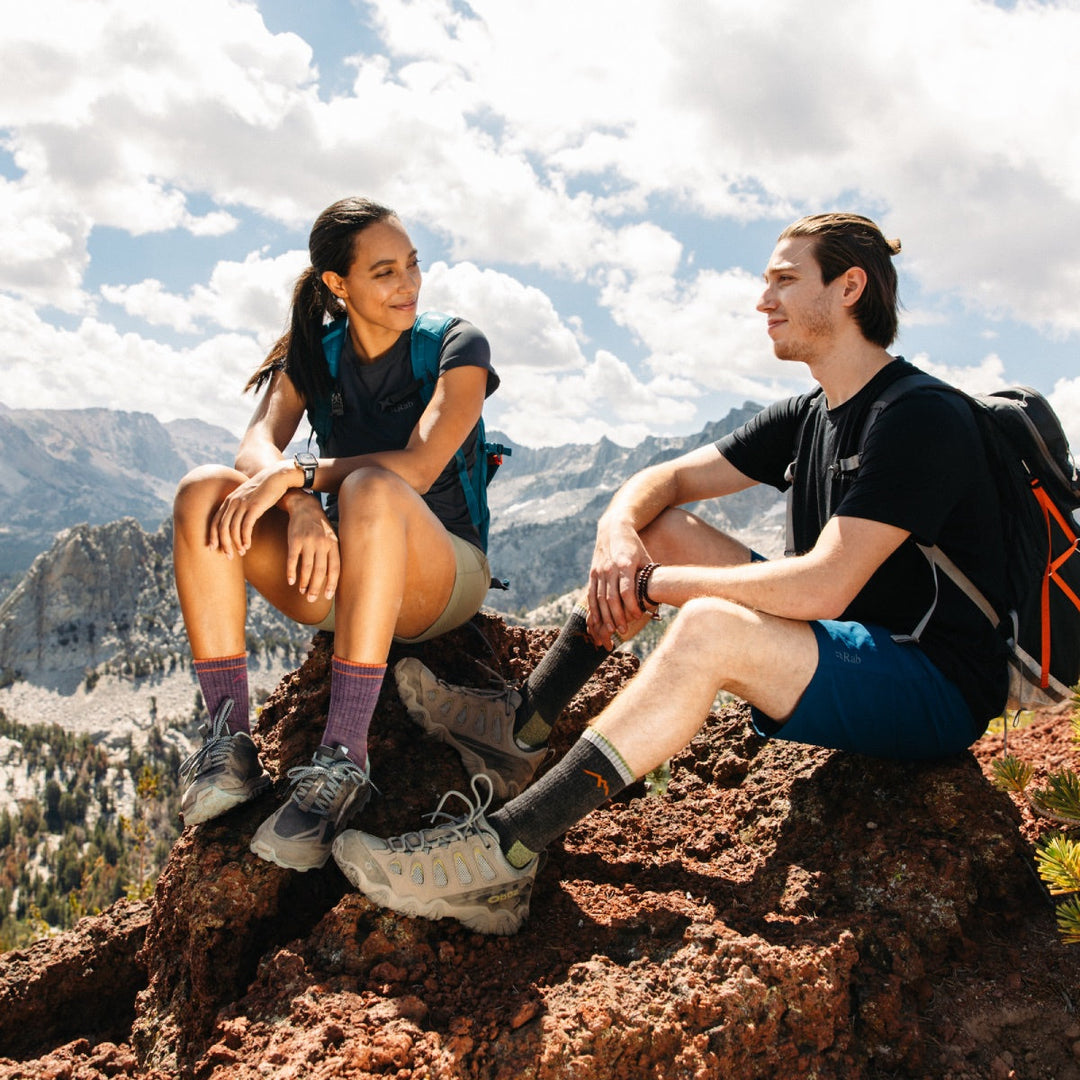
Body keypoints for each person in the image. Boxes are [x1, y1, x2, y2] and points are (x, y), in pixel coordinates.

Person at [330, 212, 1011, 935]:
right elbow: (663, 485)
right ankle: (518, 724)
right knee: (659, 530)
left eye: (785, 280)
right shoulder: (816, 412)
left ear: (850, 288)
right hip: (852, 643)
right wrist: (621, 534)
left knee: (710, 625)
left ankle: (502, 853)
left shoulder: (919, 417)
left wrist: (656, 586)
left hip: (931, 684)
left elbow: (822, 586)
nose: (763, 300)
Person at [172, 196, 504, 873]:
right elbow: (254, 448)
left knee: (372, 487)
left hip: (440, 580)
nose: (408, 284)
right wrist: (297, 507)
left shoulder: (456, 346)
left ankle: (344, 760)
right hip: (344, 582)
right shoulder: (313, 354)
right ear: (337, 285)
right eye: (384, 272)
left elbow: (417, 466)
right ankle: (229, 744)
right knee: (203, 492)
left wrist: (296, 476)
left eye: (412, 265)